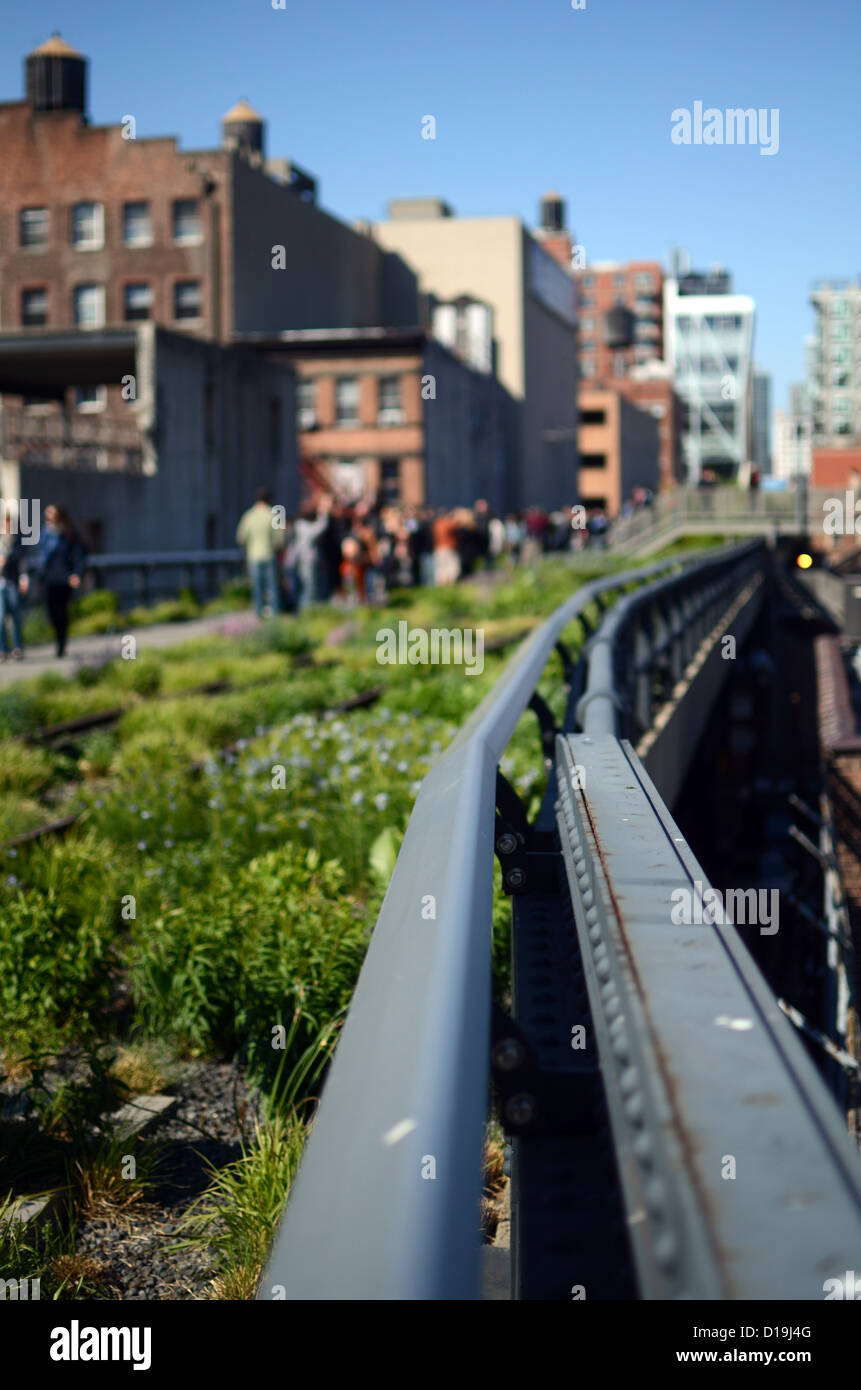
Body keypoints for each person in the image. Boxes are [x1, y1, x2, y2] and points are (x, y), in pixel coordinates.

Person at [36, 504, 86, 658]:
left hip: (64, 579)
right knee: (51, 613)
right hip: (49, 578)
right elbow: (41, 556)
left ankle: (61, 644)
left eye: (51, 514)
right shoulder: (45, 533)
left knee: (62, 612)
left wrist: (76, 574)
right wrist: (40, 576)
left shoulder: (69, 534)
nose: (49, 518)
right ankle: (58, 638)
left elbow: (79, 556)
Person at [236, 488, 284, 618]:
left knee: (257, 588)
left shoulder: (249, 516)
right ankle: (274, 616)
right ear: (269, 500)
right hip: (269, 555)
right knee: (272, 588)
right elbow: (280, 540)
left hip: (253, 556)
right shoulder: (273, 515)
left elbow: (241, 538)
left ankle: (258, 615)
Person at [0, 511, 27, 661]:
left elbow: (22, 563)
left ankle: (18, 647)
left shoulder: (17, 542)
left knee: (16, 616)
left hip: (12, 582)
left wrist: (24, 579)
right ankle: (2, 649)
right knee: (0, 618)